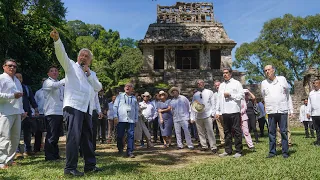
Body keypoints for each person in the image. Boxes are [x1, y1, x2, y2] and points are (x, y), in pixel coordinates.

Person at [50, 27, 102, 176]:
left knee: (87, 138)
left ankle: (90, 165)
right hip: (73, 107)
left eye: (86, 56)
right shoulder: (71, 67)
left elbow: (98, 87)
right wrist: (57, 41)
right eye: (81, 55)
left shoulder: (92, 74)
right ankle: (70, 168)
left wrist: (89, 74)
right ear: (78, 57)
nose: (83, 57)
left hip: (86, 109)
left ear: (90, 60)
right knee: (73, 137)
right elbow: (62, 55)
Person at [261, 65, 293, 158]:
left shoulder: (282, 79)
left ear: (273, 70)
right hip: (271, 111)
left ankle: (285, 152)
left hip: (282, 109)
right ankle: (272, 152)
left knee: (283, 131)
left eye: (269, 70)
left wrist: (290, 109)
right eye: (265, 70)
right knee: (271, 132)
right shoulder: (264, 83)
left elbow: (287, 94)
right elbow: (264, 97)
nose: (267, 71)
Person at [0, 59, 25, 169]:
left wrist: (22, 110)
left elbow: (20, 98)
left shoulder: (17, 80)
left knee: (15, 138)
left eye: (14, 66)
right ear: (3, 67)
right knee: (4, 137)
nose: (12, 68)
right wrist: (11, 96)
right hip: (5, 112)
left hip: (17, 112)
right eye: (10, 66)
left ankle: (9, 160)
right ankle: (1, 162)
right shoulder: (1, 78)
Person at [216, 67, 244, 158]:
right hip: (224, 111)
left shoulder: (236, 83)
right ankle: (228, 150)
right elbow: (219, 99)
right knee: (226, 131)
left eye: (227, 73)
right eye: (223, 73)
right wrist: (217, 111)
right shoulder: (221, 85)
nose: (225, 74)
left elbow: (242, 96)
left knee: (236, 131)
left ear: (230, 74)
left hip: (234, 110)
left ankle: (238, 151)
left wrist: (230, 95)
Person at [42, 66, 65, 161]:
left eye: (56, 71)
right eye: (52, 71)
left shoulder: (60, 84)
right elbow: (54, 86)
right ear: (48, 74)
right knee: (51, 135)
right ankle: (49, 156)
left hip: (59, 112)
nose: (54, 72)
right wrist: (67, 78)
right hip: (51, 112)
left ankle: (55, 155)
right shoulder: (47, 82)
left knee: (56, 136)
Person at [15, 73, 39, 156]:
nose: (19, 79)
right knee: (16, 133)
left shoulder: (26, 88)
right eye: (17, 77)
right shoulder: (12, 88)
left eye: (20, 77)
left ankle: (28, 150)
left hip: (27, 113)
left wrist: (36, 110)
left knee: (27, 133)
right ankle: (17, 152)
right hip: (17, 113)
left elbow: (32, 99)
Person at [190, 79, 217, 153]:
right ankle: (204, 146)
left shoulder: (209, 92)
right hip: (198, 116)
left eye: (201, 83)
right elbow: (193, 106)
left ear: (204, 84)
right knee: (200, 132)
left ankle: (213, 146)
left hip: (208, 114)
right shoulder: (195, 95)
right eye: (198, 83)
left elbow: (213, 104)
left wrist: (213, 114)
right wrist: (192, 117)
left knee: (210, 131)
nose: (200, 84)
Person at [113, 83, 139, 158]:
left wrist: (136, 119)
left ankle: (130, 151)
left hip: (131, 119)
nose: (127, 87)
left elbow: (136, 109)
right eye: (126, 86)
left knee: (131, 135)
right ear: (124, 88)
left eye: (130, 86)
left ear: (132, 89)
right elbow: (115, 106)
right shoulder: (120, 96)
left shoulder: (134, 98)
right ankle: (120, 149)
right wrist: (115, 116)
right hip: (121, 119)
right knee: (120, 135)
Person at [34, 78, 47, 153]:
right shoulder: (38, 92)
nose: (44, 82)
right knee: (38, 132)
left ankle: (47, 148)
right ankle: (37, 149)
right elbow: (35, 103)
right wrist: (35, 112)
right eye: (43, 80)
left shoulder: (51, 90)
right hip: (40, 113)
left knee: (49, 132)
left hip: (49, 113)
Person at [307, 79, 320, 146]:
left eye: (316, 83)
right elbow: (309, 104)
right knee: (317, 129)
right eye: (314, 83)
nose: (315, 85)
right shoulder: (311, 93)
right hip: (314, 114)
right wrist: (308, 112)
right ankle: (318, 141)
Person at [213, 80, 225, 146]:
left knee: (226, 127)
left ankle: (228, 139)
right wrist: (215, 113)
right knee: (220, 128)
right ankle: (223, 141)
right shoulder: (214, 95)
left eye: (218, 85)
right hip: (218, 113)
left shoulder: (224, 92)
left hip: (225, 112)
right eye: (216, 85)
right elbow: (214, 104)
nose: (217, 86)